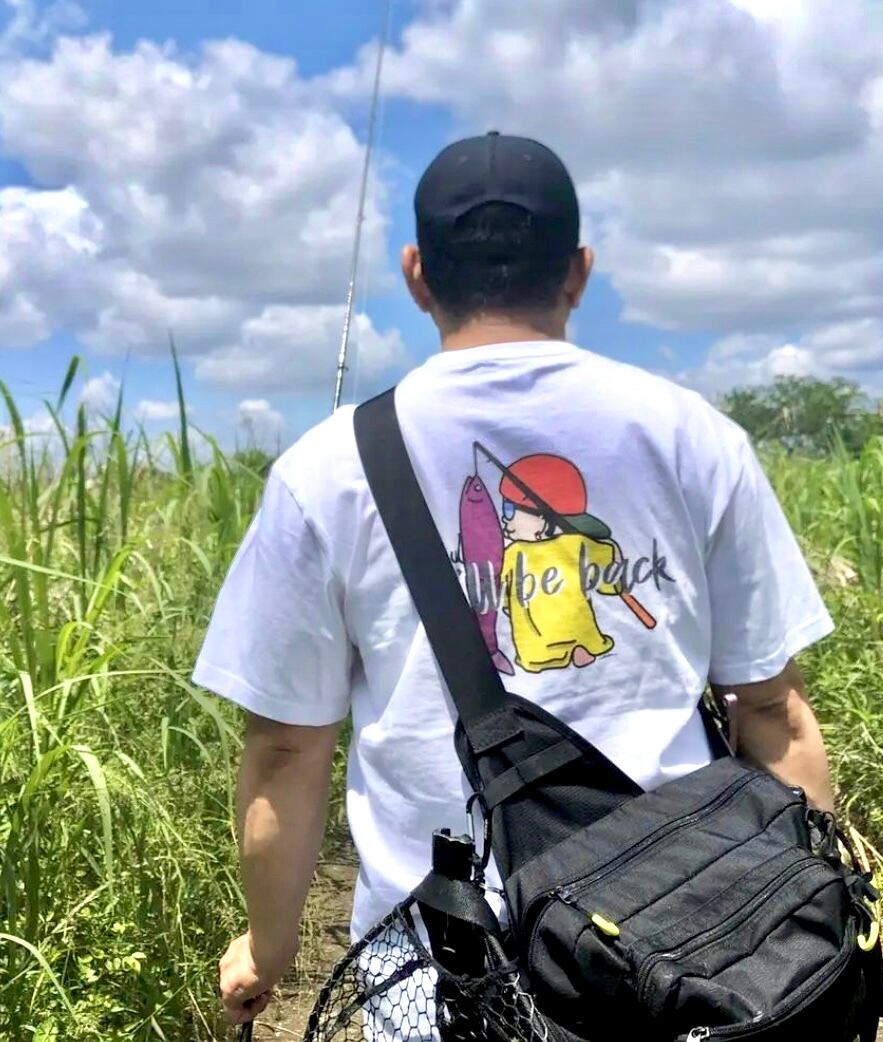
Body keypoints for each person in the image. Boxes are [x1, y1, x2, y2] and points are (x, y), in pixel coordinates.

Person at [201, 132, 838, 1028]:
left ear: (417, 274)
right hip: (684, 946)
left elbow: (286, 753)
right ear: (578, 272)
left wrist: (266, 948)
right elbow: (772, 711)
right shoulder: (695, 437)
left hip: (441, 970)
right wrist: (808, 917)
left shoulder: (326, 469)